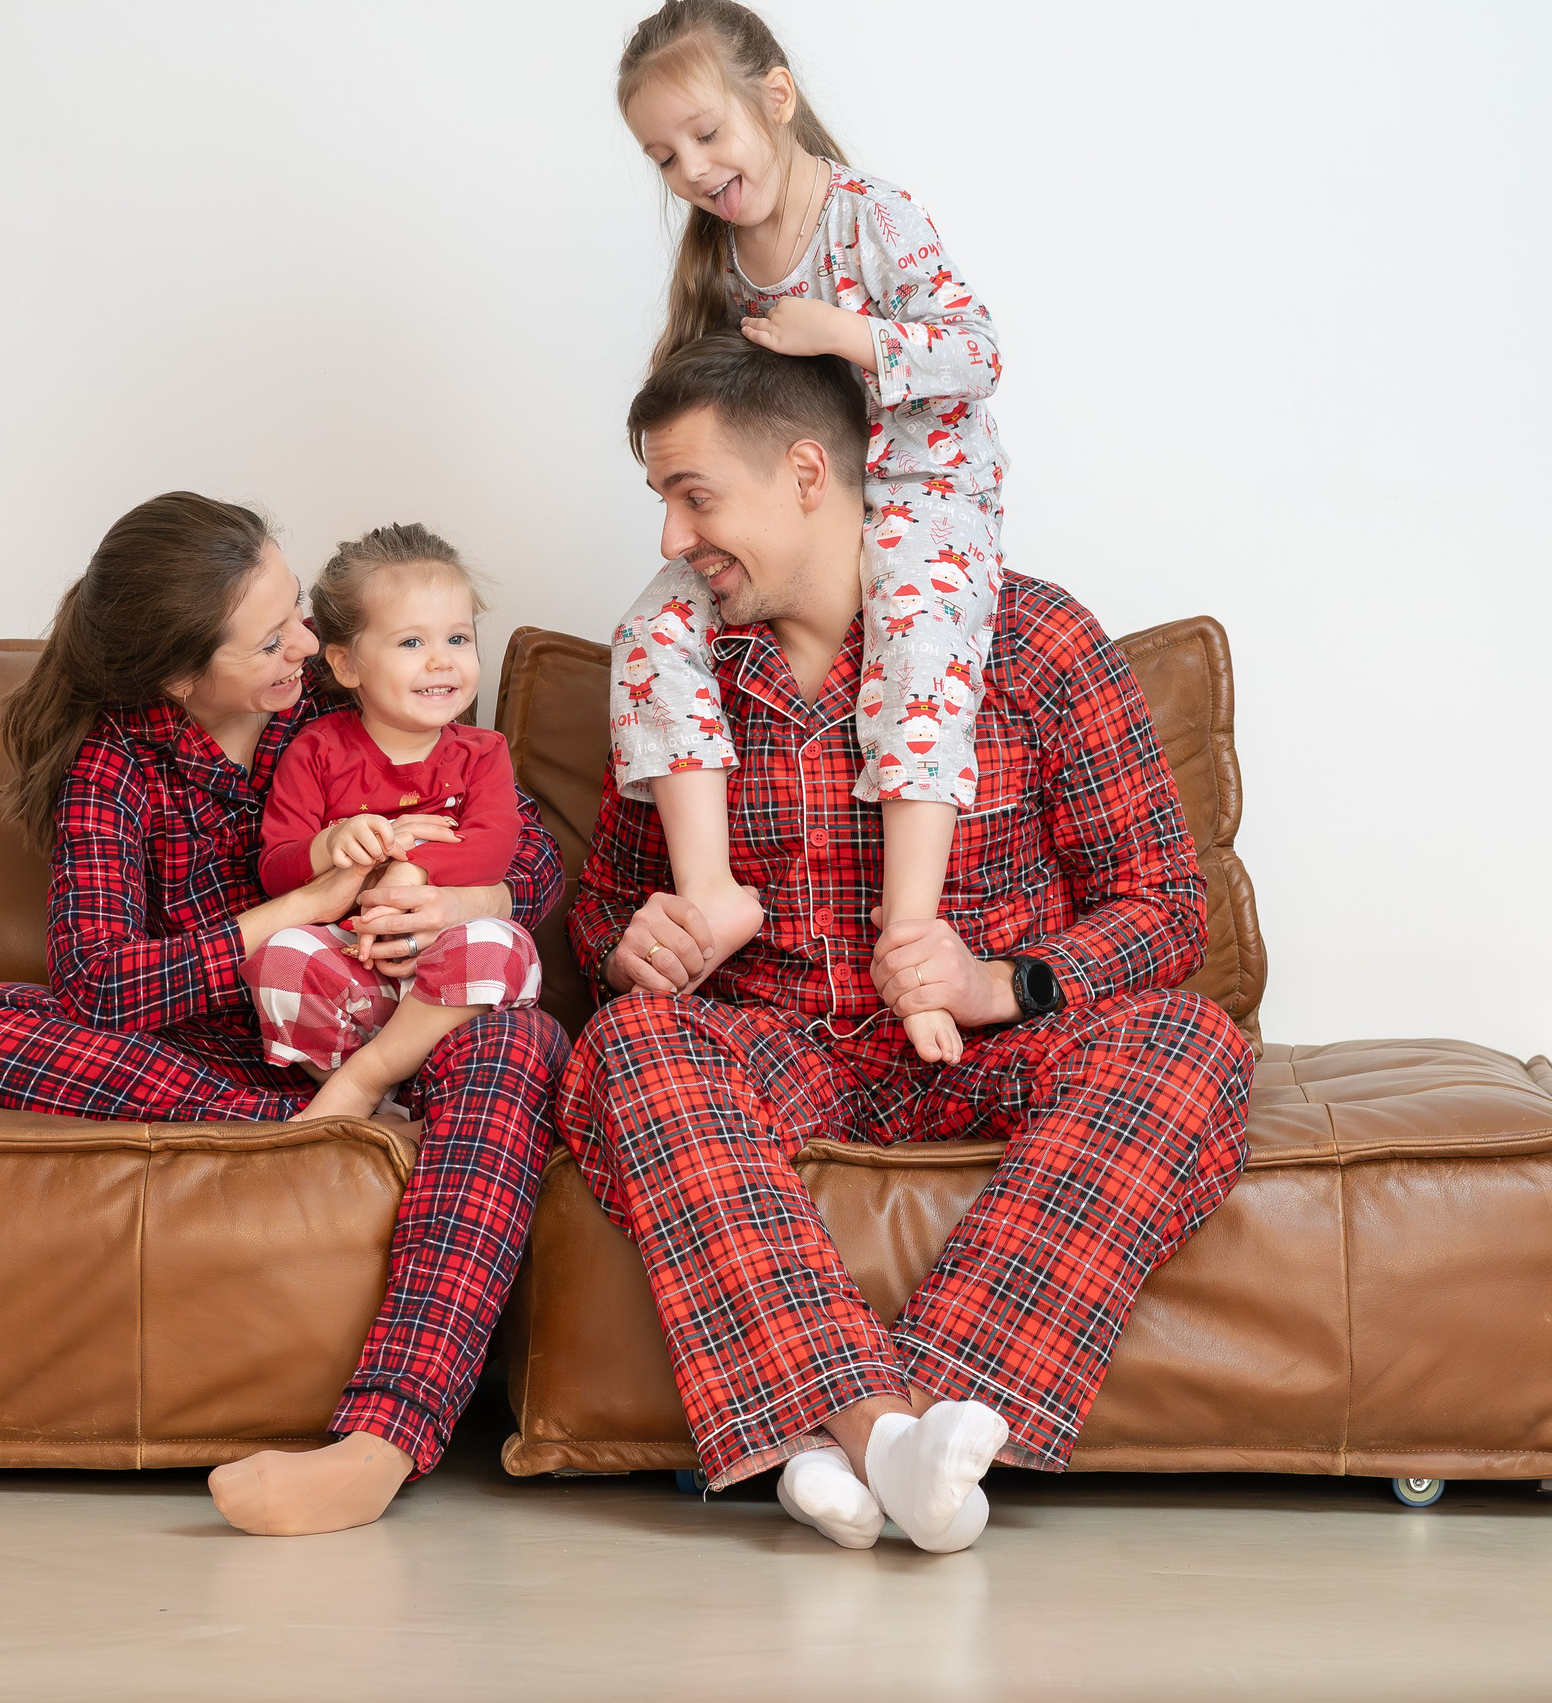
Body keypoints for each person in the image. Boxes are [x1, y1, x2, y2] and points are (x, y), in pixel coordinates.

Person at [561, 334, 1254, 1553]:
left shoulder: (1029, 640)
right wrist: (635, 943)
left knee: (1190, 1042)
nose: (672, 539)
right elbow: (604, 902)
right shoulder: (676, 670)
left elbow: (1165, 904)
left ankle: (899, 1423)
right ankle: (882, 1429)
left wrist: (1002, 982)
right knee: (631, 1045)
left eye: (695, 495)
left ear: (808, 472)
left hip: (983, 1051)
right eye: (662, 501)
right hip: (778, 1047)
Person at [0, 492, 567, 1538]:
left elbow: (528, 845)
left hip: (388, 1018)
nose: (309, 646)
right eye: (275, 638)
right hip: (219, 1061)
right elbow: (97, 982)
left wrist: (455, 901)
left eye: (304, 623)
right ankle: (300, 1126)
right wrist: (298, 910)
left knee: (520, 1041)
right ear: (182, 675)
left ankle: (382, 1439)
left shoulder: (338, 692)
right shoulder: (118, 765)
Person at [607, 0, 1009, 1065]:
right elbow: (708, 413)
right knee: (645, 633)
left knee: (917, 644)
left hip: (922, 487)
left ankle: (909, 926)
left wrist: (846, 337)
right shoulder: (718, 258)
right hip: (809, 512)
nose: (690, 167)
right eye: (662, 154)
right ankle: (710, 890)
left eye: (705, 133)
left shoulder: (870, 217)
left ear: (774, 98)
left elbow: (976, 350)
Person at [249, 524, 544, 1122]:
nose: (443, 660)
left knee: (497, 942)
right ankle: (372, 1103)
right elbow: (276, 869)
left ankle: (361, 1084)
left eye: (459, 637)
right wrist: (330, 846)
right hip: (353, 961)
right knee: (280, 957)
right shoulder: (316, 750)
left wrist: (410, 868)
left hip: (447, 962)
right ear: (347, 665)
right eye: (411, 643)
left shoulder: (483, 752)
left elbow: (492, 850)